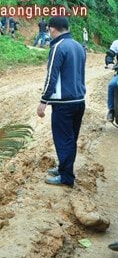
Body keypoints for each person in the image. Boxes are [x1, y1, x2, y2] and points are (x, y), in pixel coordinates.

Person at [37, 17, 86, 188]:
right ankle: (64, 169)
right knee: (70, 139)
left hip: (64, 104)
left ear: (51, 29)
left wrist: (43, 101)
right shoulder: (79, 46)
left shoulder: (58, 47)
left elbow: (52, 76)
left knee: (63, 140)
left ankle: (66, 177)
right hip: (79, 101)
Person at [104, 40, 118, 121]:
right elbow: (109, 54)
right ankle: (111, 110)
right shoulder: (116, 43)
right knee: (112, 85)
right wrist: (110, 63)